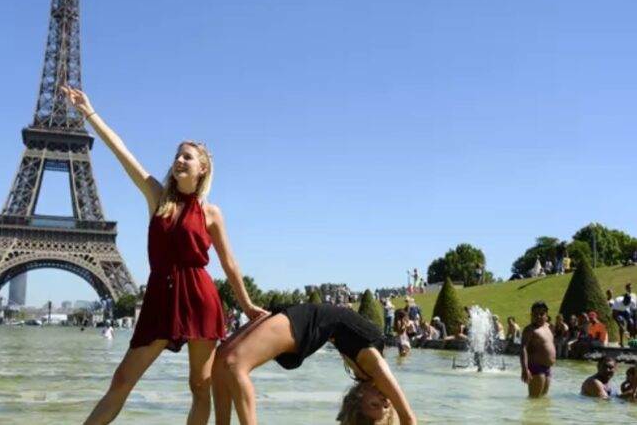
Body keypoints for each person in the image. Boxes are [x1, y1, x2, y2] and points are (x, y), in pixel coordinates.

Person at [62, 86, 267, 425]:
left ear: (202, 169)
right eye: (177, 155)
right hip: (160, 296)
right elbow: (121, 150)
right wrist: (89, 113)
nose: (179, 160)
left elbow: (229, 264)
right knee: (122, 380)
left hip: (200, 297)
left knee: (199, 387)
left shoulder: (211, 213)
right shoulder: (158, 197)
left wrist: (246, 305)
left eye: (187, 156)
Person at [211, 303, 417, 425]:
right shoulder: (376, 368)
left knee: (228, 364)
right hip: (310, 319)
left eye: (375, 405)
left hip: (310, 324)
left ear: (358, 399)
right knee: (224, 363)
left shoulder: (366, 372)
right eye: (385, 405)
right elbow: (408, 419)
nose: (384, 399)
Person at [520, 301, 556, 398]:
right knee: (534, 399)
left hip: (547, 368)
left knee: (543, 399)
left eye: (541, 314)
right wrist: (524, 369)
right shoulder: (530, 329)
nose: (538, 316)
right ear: (531, 314)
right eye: (535, 314)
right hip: (536, 367)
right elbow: (523, 348)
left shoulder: (549, 327)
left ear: (546, 315)